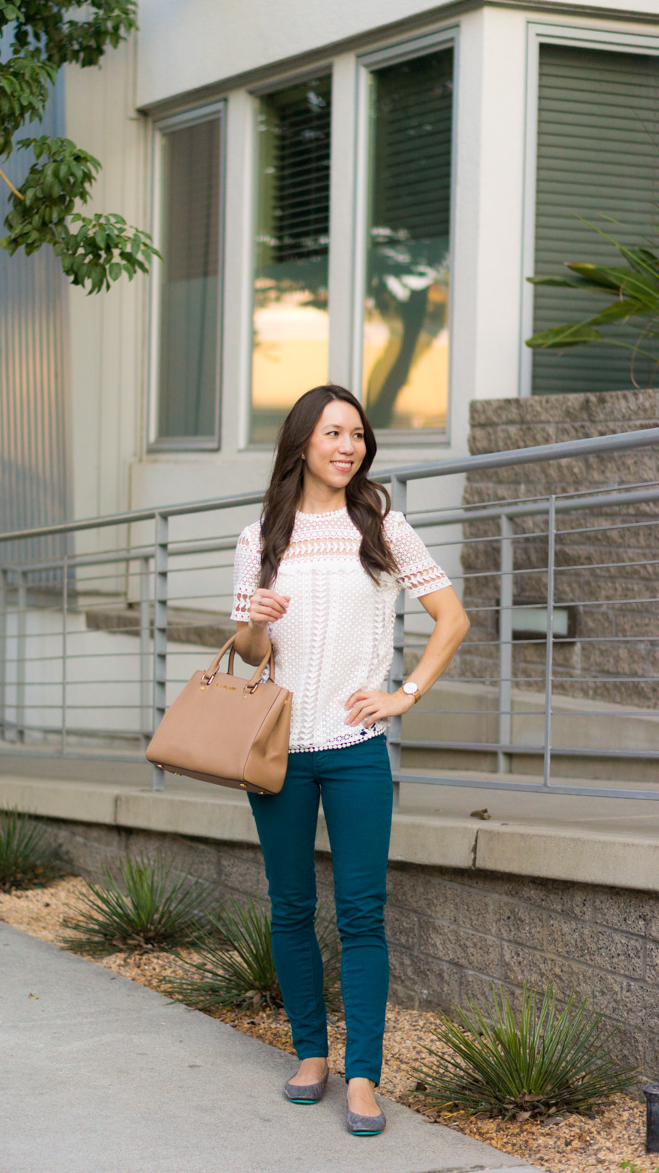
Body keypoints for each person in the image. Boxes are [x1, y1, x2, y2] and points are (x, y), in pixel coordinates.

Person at [231, 383, 469, 1136]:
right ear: (302, 441)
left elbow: (451, 618)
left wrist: (405, 693)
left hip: (358, 748)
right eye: (333, 433)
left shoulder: (381, 522)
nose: (348, 446)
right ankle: (310, 1055)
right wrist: (256, 623)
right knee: (291, 905)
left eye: (358, 435)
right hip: (278, 748)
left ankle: (362, 1074)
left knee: (363, 915)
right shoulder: (259, 536)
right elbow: (247, 653)